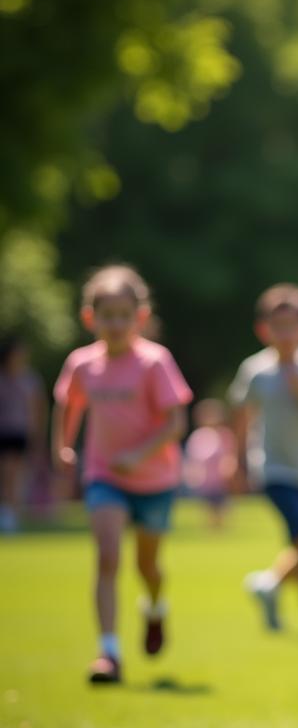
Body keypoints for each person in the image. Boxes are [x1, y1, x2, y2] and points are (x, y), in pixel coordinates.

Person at [52, 265, 192, 683]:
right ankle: (108, 654)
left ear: (140, 318)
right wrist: (62, 445)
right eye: (106, 315)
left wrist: (138, 454)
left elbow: (175, 423)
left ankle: (154, 607)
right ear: (89, 317)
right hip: (104, 476)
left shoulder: (154, 362)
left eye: (123, 315)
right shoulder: (81, 364)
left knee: (148, 566)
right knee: (108, 556)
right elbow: (67, 403)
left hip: (155, 480)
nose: (114, 324)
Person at [230, 284, 298, 638]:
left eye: (292, 325)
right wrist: (236, 463)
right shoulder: (255, 371)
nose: (285, 334)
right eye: (278, 326)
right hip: (275, 469)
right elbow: (242, 416)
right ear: (264, 330)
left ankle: (269, 584)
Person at [0, 336, 46, 532]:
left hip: (20, 433)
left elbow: (37, 410)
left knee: (15, 474)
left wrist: (38, 437)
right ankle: (8, 513)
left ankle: (12, 515)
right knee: (6, 474)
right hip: (3, 430)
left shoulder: (30, 380)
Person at [183, 398, 237, 528]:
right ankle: (212, 527)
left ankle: (220, 527)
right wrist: (192, 473)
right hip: (205, 479)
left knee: (221, 504)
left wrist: (229, 468)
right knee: (208, 505)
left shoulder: (224, 434)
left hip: (220, 478)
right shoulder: (198, 436)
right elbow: (193, 457)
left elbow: (230, 454)